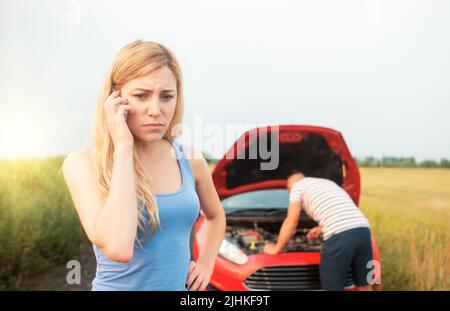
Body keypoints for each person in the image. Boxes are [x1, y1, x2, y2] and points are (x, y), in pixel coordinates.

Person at [62, 40, 226, 291]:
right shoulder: (84, 164)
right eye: (141, 96)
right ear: (114, 98)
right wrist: (124, 148)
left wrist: (205, 264)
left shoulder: (190, 160)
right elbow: (118, 247)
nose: (155, 110)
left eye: (166, 96)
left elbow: (216, 217)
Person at [263, 171, 374, 291]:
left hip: (339, 236)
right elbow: (341, 209)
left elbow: (291, 221)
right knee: (365, 285)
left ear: (290, 187)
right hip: (363, 230)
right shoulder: (329, 183)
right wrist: (321, 228)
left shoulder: (297, 187)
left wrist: (276, 248)